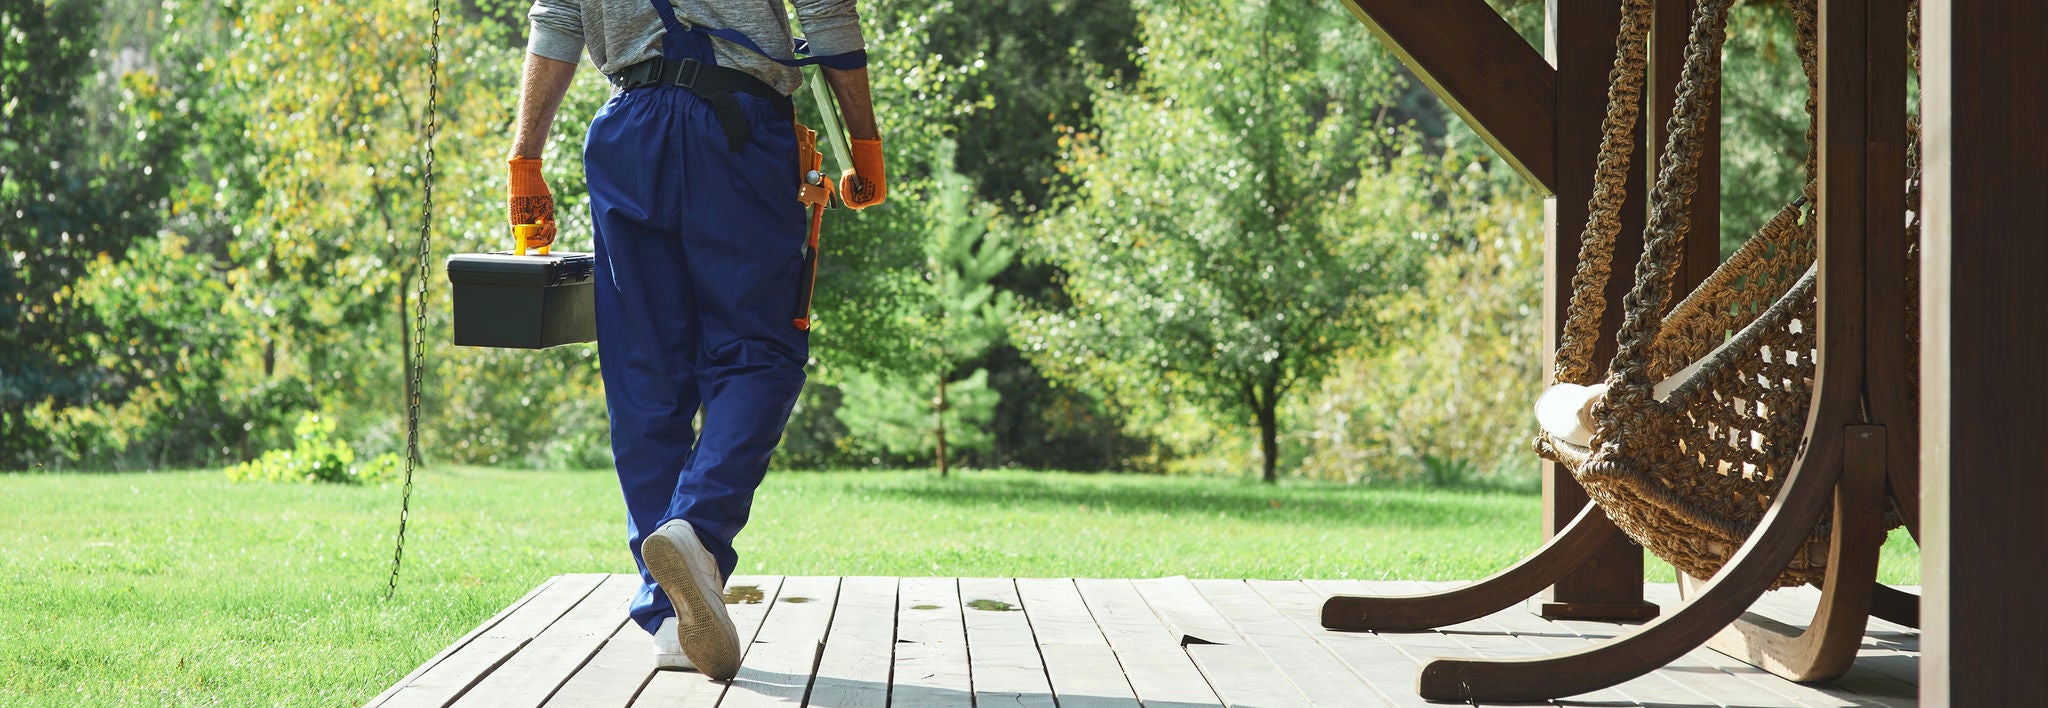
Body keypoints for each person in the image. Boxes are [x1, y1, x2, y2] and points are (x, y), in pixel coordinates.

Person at [508, 0, 886, 680]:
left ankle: (670, 617)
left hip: (627, 133)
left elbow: (559, 22)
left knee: (643, 374)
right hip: (737, 132)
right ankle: (699, 531)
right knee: (762, 353)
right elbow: (828, 16)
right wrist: (864, 141)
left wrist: (525, 156)